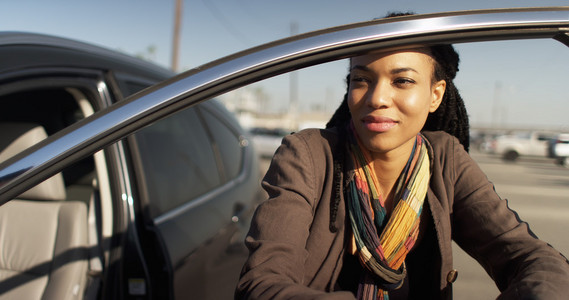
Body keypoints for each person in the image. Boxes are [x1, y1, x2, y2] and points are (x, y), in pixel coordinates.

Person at [235, 16, 569, 300]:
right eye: (361, 79)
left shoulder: (446, 159)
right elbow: (262, 284)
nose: (377, 97)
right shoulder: (308, 155)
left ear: (435, 94)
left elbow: (528, 255)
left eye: (402, 80)